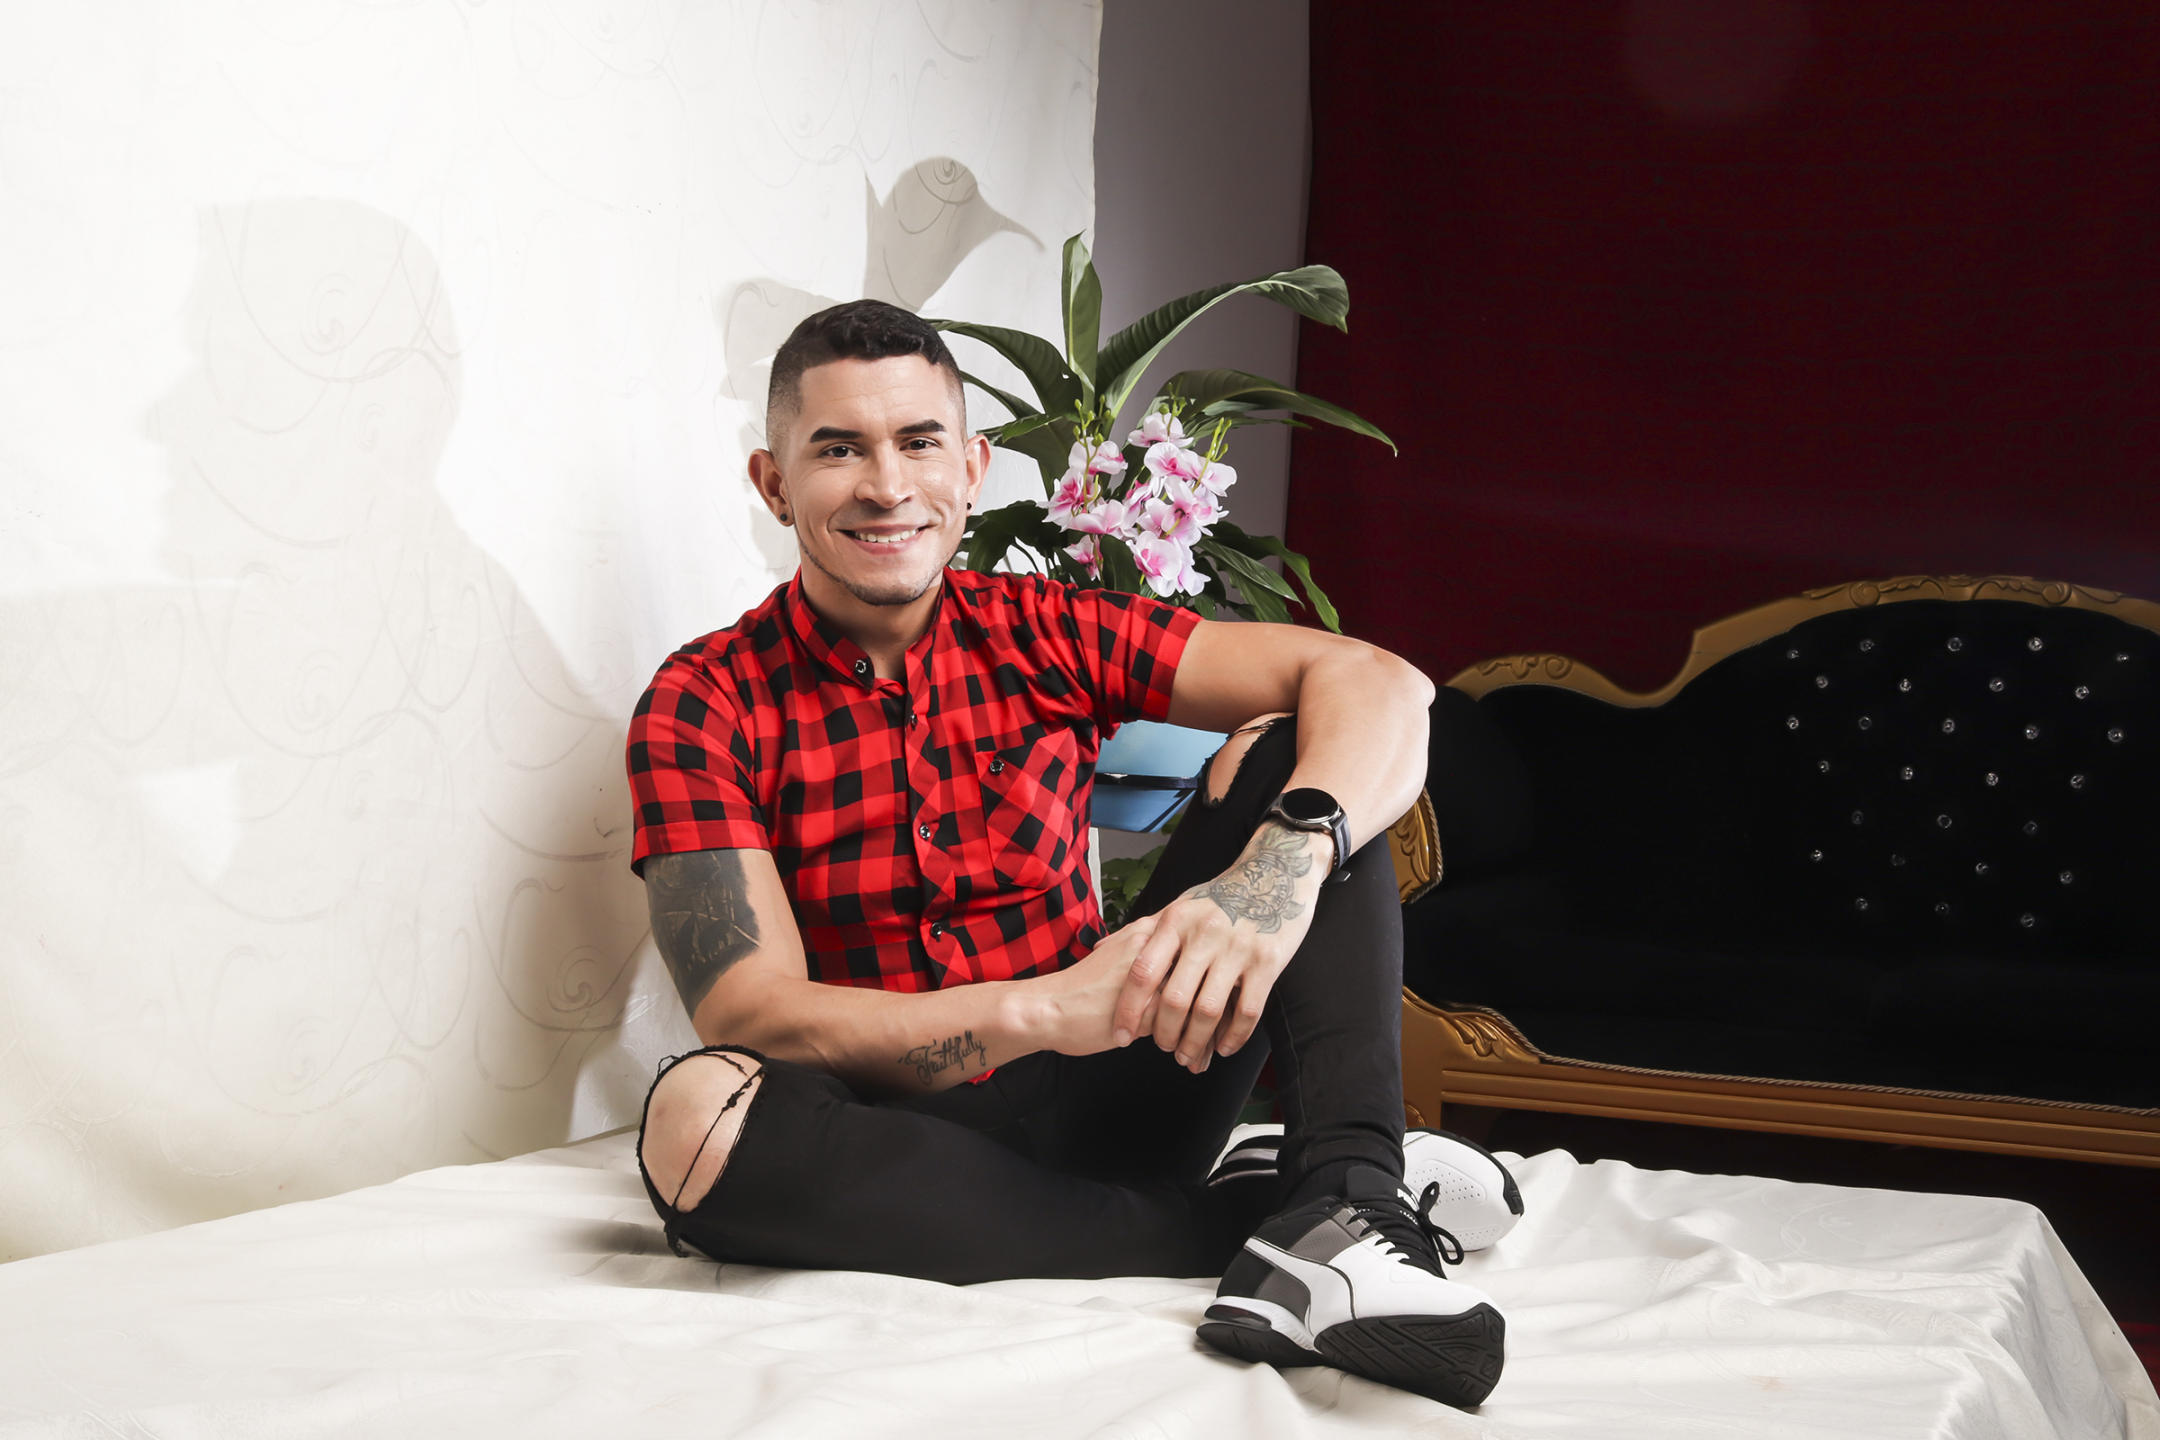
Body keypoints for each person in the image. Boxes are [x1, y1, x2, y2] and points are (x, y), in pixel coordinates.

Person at [625, 299, 1510, 1408]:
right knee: (692, 1120)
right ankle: (1253, 1217)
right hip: (902, 1142)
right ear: (774, 483)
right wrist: (1040, 1010)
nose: (887, 486)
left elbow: (1381, 682)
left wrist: (1275, 877)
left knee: (1298, 754)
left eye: (919, 442)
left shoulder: (1042, 627)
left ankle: (1344, 1207)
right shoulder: (701, 700)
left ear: (972, 469)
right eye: (838, 450)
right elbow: (752, 1013)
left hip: (1127, 1090)